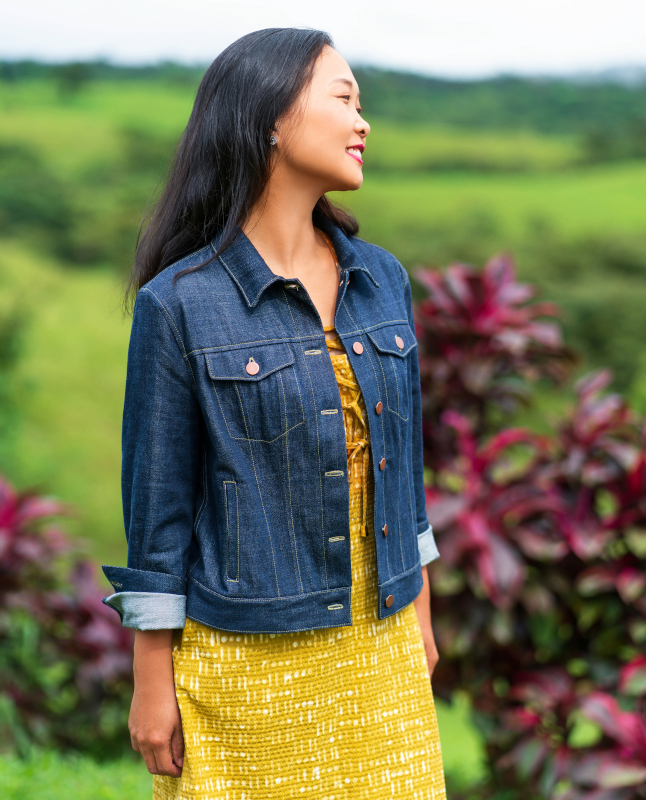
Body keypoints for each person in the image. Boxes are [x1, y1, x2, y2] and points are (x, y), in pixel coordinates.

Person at [102, 27, 447, 799]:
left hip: (382, 642)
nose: (364, 123)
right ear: (270, 120)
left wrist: (420, 612)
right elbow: (158, 511)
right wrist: (151, 679)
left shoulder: (382, 281)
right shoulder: (180, 303)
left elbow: (403, 470)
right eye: (345, 98)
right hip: (245, 658)